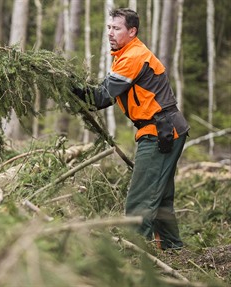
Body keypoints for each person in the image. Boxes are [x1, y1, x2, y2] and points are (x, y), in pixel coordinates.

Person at [72, 8, 189, 250]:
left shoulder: (133, 57)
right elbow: (107, 92)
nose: (110, 33)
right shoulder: (125, 56)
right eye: (108, 27)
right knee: (160, 197)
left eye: (116, 28)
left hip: (161, 132)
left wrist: (70, 87)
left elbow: (101, 98)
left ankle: (134, 256)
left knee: (140, 201)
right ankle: (173, 250)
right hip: (163, 129)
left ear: (132, 31)